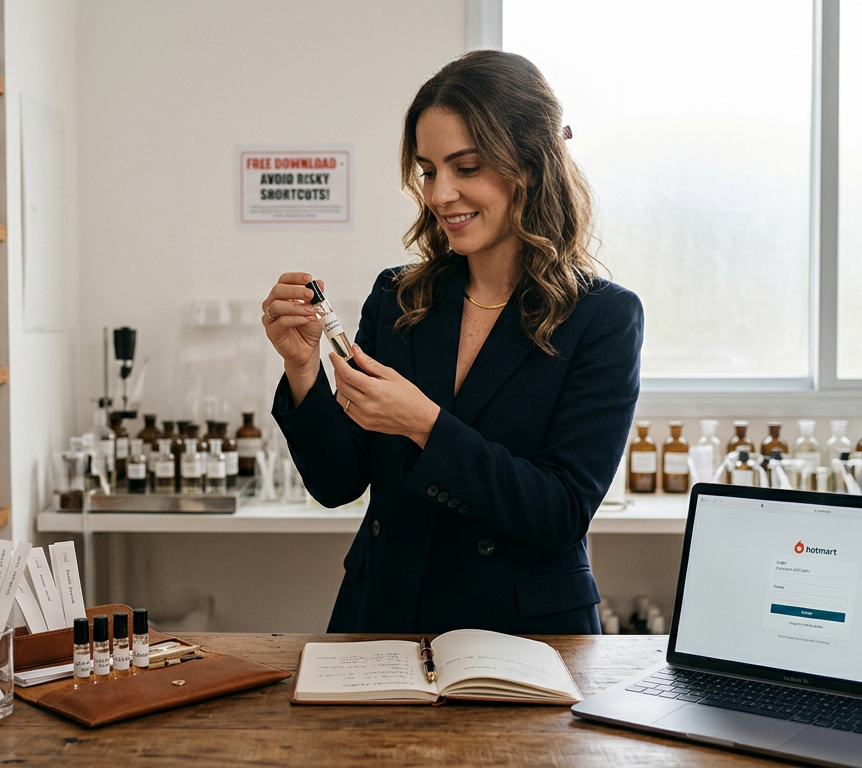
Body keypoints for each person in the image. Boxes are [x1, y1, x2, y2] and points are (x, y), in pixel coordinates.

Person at [261, 50, 644, 634]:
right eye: (428, 170)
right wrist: (303, 369)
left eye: (466, 167)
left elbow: (560, 513)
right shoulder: (398, 297)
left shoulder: (602, 318)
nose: (440, 195)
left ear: (532, 165)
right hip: (384, 617)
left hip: (524, 636)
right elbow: (337, 483)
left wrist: (425, 425)